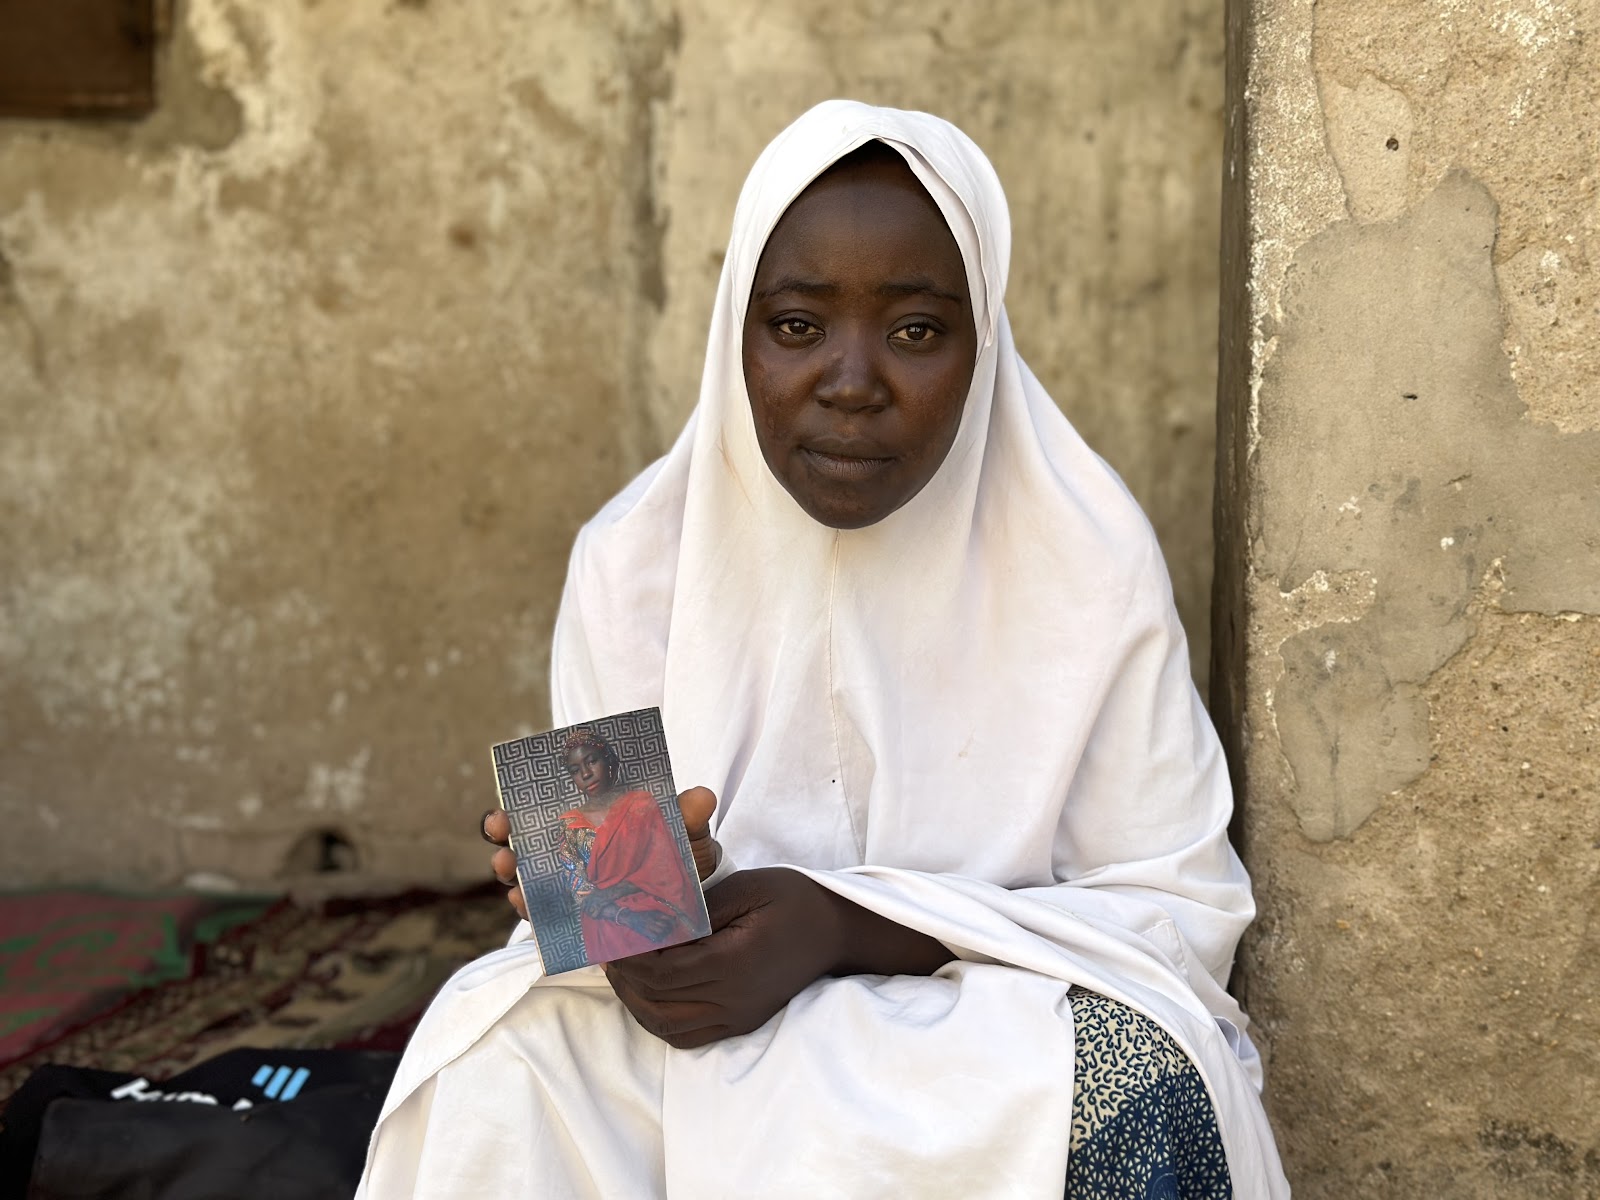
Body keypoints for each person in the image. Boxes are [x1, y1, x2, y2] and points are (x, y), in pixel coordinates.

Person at [358, 101, 1289, 1198]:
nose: (852, 382)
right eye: (798, 326)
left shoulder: (1084, 556)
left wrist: (845, 928)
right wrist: (629, 924)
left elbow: (1181, 921)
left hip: (984, 1027)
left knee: (1146, 1079)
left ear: (982, 342)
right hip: (698, 1049)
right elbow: (612, 925)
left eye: (915, 332)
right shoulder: (629, 561)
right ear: (733, 339)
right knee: (495, 1061)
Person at [551, 728, 704, 959]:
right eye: (575, 770)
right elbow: (582, 892)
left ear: (609, 761)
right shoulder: (569, 825)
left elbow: (665, 870)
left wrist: (614, 890)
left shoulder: (641, 805)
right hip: (605, 917)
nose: (585, 774)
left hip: (655, 900)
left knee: (676, 944)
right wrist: (626, 916)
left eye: (592, 761)